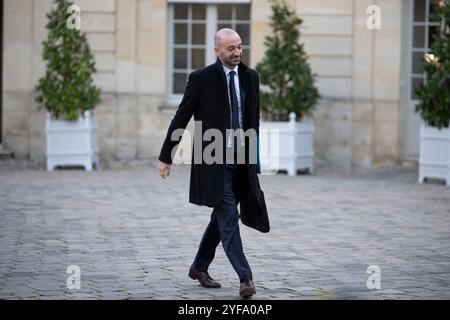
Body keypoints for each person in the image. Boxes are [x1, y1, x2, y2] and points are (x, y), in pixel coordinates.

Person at [158, 28, 265, 298]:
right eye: (231, 48)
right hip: (214, 160)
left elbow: (254, 122)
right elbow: (181, 116)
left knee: (221, 217)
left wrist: (255, 161)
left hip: (242, 160)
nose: (237, 52)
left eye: (240, 47)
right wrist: (166, 155)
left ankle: (199, 266)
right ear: (217, 51)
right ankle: (246, 277)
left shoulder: (251, 77)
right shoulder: (202, 79)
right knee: (229, 217)